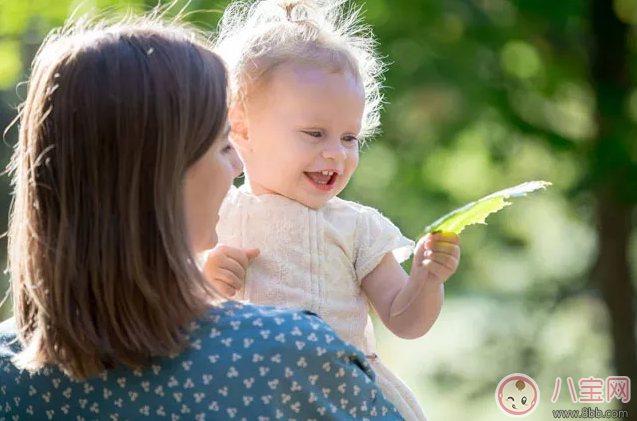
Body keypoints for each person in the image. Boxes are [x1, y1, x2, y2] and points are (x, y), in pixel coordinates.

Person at [0, 10, 405, 420]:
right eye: (223, 145)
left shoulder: (8, 372)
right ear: (162, 173)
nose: (236, 167)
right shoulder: (292, 356)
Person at [204, 1, 462, 420]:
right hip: (250, 399)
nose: (335, 153)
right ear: (243, 128)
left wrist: (426, 280)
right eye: (314, 133)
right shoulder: (216, 216)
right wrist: (207, 283)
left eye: (349, 137)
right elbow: (175, 320)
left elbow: (405, 321)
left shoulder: (358, 228)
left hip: (344, 399)